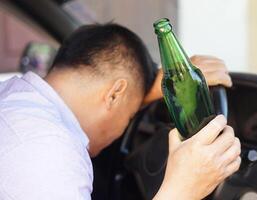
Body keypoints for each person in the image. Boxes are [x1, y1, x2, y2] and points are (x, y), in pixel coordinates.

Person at [0, 24, 240, 200]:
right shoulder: (50, 153)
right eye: (129, 117)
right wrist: (183, 188)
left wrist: (150, 90)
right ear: (114, 94)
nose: (124, 128)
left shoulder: (12, 97)